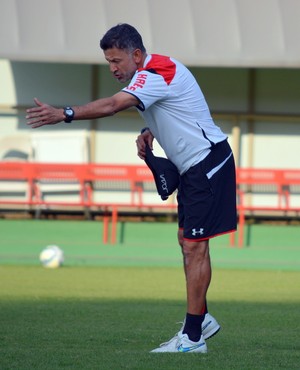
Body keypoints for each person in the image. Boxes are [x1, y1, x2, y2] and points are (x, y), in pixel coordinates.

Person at [26, 23, 237, 353]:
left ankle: (193, 339)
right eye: (108, 62)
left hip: (208, 163)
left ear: (136, 54)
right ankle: (202, 319)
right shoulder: (150, 72)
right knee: (187, 241)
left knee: (196, 246)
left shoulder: (155, 72)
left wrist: (63, 113)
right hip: (195, 166)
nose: (112, 68)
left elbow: (112, 106)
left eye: (116, 61)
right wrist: (149, 129)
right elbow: (171, 106)